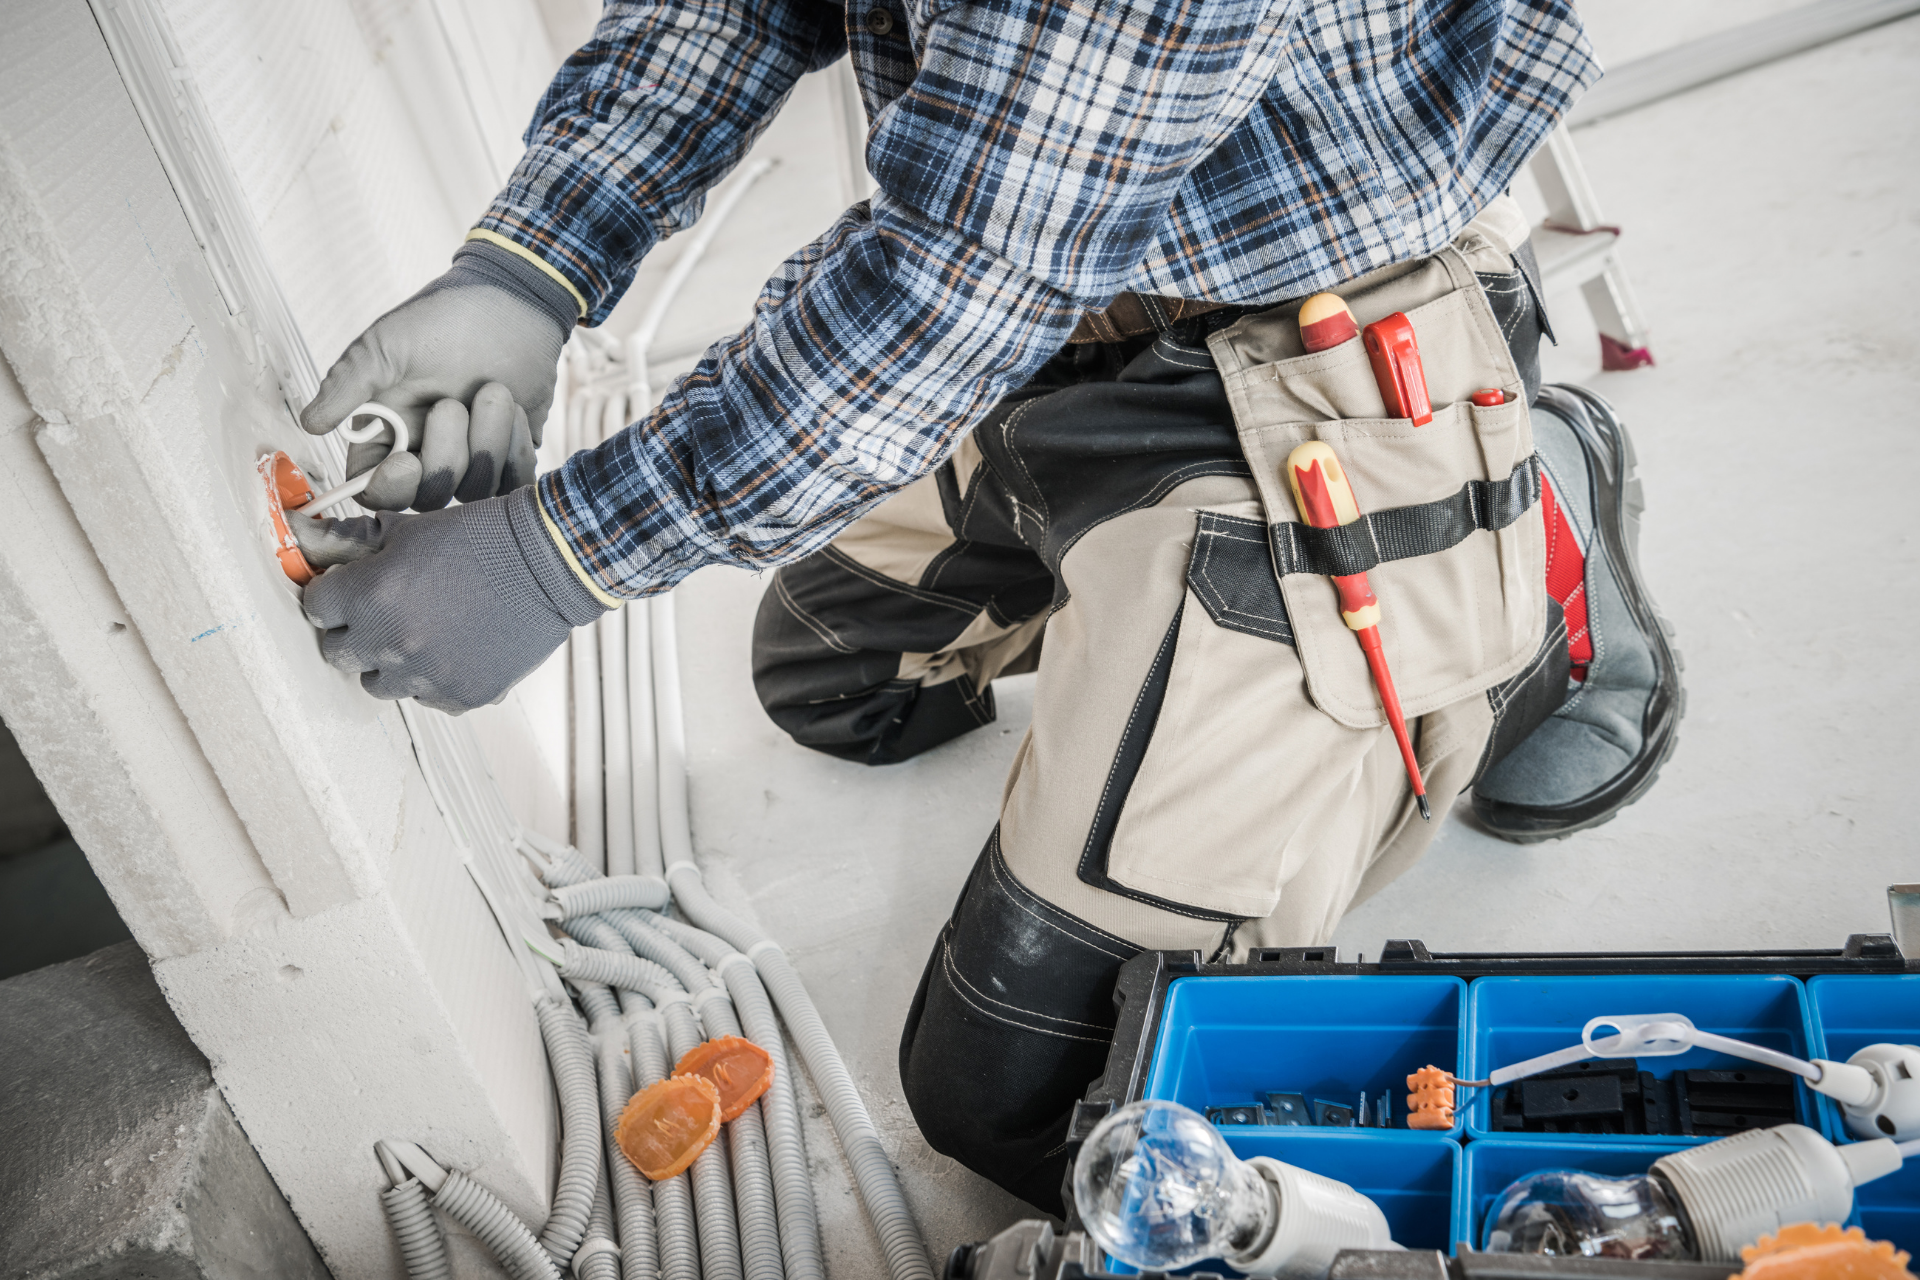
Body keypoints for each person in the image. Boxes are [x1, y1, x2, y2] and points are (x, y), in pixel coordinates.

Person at [298, 0, 1680, 1215]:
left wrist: (559, 558)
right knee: (837, 689)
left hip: (1309, 348)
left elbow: (963, 280)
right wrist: (529, 269)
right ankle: (1190, 628)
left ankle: (1516, 522)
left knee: (1045, 1104)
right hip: (1061, 332)